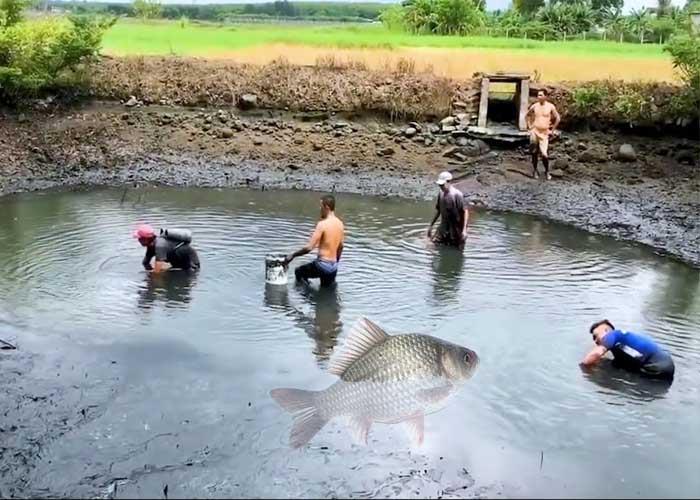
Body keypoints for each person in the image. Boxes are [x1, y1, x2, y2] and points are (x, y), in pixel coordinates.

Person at [581, 319, 675, 381]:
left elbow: (592, 356)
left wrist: (582, 369)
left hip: (656, 366)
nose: (595, 341)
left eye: (595, 336)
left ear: (606, 330)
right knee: (613, 364)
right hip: (665, 365)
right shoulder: (621, 341)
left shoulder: (612, 335)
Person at [285, 195, 345, 287]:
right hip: (333, 267)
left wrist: (293, 255)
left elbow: (309, 248)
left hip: (321, 265)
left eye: (321, 207)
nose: (319, 209)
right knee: (326, 291)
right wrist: (336, 263)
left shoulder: (322, 224)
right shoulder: (340, 224)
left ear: (327, 207)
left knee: (298, 272)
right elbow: (341, 246)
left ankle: (309, 298)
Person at [134, 224, 200, 273]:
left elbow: (157, 272)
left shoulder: (159, 246)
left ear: (145, 239)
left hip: (191, 264)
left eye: (139, 238)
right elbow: (145, 263)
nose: (138, 240)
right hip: (177, 263)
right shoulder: (150, 246)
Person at [427, 171, 468, 249]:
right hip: (444, 226)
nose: (441, 187)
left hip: (456, 228)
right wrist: (431, 225)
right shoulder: (441, 193)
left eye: (442, 185)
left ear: (449, 182)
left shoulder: (457, 195)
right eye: (439, 185)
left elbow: (465, 211)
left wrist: (464, 230)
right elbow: (438, 210)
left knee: (456, 250)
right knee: (432, 246)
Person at [526, 89, 561, 181]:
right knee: (534, 151)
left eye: (541, 95)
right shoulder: (535, 106)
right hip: (535, 131)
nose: (539, 97)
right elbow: (527, 115)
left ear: (545, 96)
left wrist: (552, 130)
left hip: (544, 133)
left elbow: (558, 118)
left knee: (544, 154)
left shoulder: (550, 106)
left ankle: (547, 171)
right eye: (538, 95)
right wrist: (529, 126)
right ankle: (534, 170)